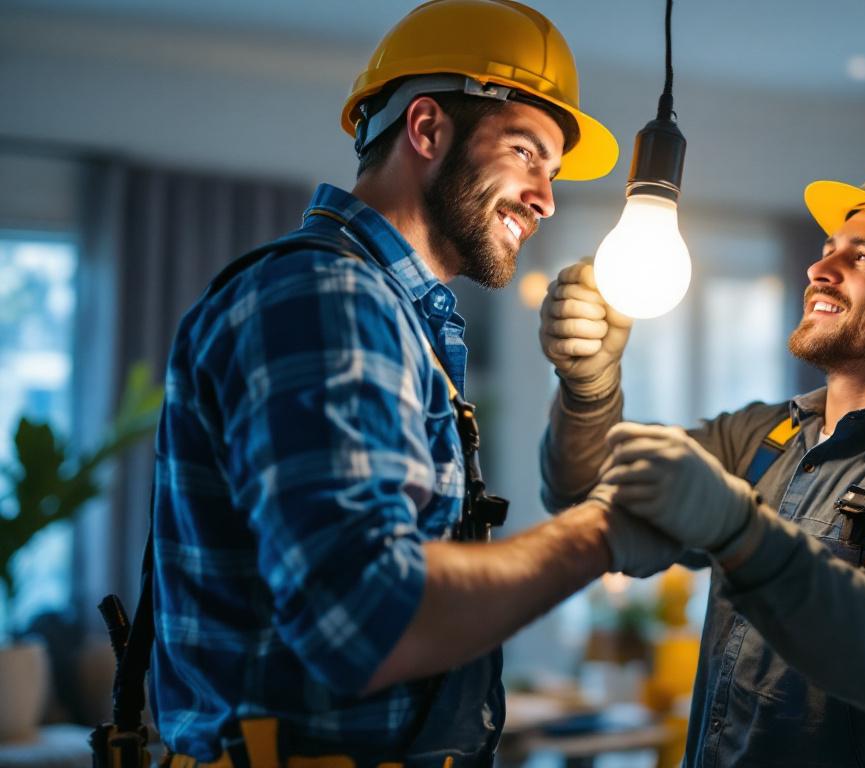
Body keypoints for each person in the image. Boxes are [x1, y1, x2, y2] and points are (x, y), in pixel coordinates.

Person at [147, 2, 674, 766]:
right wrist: (601, 534)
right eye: (527, 154)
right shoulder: (330, 298)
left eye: (552, 172)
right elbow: (365, 617)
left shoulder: (392, 315)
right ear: (426, 130)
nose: (546, 198)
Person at [539, 153, 865, 767]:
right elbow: (584, 495)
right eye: (830, 247)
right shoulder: (766, 437)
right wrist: (587, 389)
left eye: (861, 258)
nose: (818, 267)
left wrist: (740, 532)